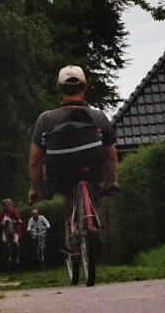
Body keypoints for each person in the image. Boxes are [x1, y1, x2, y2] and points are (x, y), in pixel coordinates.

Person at [28, 65, 119, 213]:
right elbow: (111, 155)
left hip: (59, 175)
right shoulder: (98, 116)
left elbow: (34, 160)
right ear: (84, 88)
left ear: (59, 89)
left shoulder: (46, 119)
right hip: (93, 172)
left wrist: (35, 189)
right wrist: (111, 181)